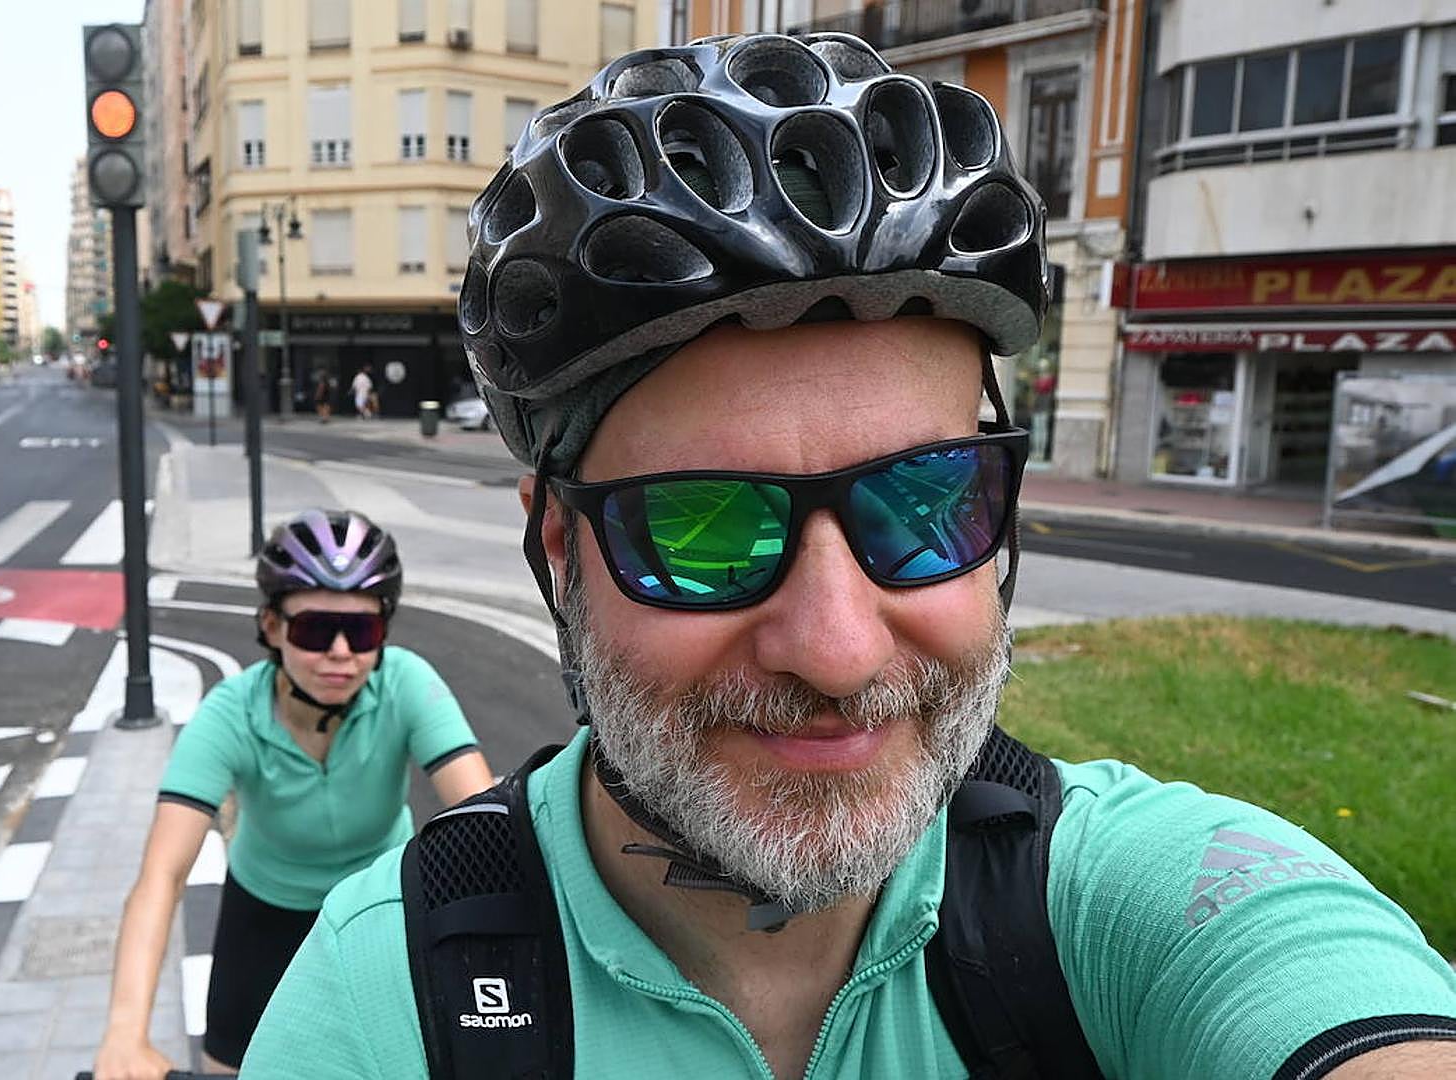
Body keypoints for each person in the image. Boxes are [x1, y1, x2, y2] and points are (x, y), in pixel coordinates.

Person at [240, 32, 1456, 1079]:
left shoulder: (1115, 904)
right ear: (558, 552)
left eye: (924, 503)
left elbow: (1308, 981)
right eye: (703, 529)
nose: (834, 646)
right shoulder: (388, 996)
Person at [93, 509, 495, 1078]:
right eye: (314, 630)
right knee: (227, 1068)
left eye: (362, 632)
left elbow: (481, 826)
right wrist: (124, 1034)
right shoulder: (231, 713)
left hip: (381, 906)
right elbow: (161, 875)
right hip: (265, 909)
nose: (340, 652)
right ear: (273, 628)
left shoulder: (405, 681)